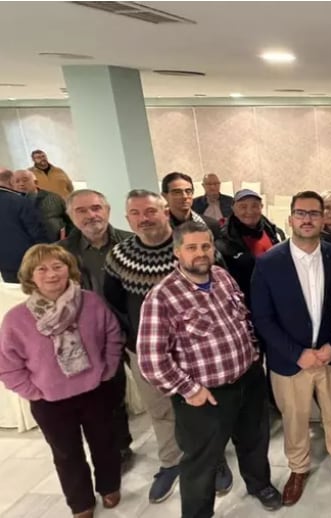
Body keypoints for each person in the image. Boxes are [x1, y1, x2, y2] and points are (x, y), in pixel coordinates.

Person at [137, 222, 282, 516]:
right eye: (192, 248)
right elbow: (151, 359)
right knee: (201, 461)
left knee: (255, 441)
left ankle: (259, 485)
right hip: (205, 395)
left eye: (205, 246)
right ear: (177, 252)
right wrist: (190, 390)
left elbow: (243, 319)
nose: (201, 253)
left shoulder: (222, 277)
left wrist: (254, 355)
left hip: (248, 379)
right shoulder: (162, 296)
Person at [103, 190, 233, 502]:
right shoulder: (118, 256)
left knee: (204, 409)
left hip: (199, 351)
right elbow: (115, 303)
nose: (143, 218)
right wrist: (136, 339)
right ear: (127, 219)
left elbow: (223, 291)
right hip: (147, 352)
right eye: (135, 213)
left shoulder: (196, 247)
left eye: (150, 211)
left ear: (165, 212)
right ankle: (171, 463)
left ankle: (215, 459)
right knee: (160, 410)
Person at [0, 245, 123, 518]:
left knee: (105, 443)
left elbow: (113, 336)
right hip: (50, 401)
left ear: (70, 269)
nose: (51, 274)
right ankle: (80, 502)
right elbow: (8, 366)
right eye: (41, 269)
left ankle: (109, 486)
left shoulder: (91, 302)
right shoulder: (15, 319)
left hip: (95, 390)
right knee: (66, 454)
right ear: (30, 276)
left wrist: (108, 369)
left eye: (58, 266)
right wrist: (35, 391)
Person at [250, 191, 331, 504]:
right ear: (290, 218)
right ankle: (298, 469)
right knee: (294, 418)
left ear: (324, 218)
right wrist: (297, 353)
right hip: (289, 360)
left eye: (314, 213)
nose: (307, 219)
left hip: (329, 356)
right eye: (301, 213)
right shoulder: (268, 263)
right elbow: (262, 317)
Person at [58, 189, 134, 469]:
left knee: (158, 391)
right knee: (109, 394)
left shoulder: (131, 242)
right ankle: (122, 447)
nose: (91, 215)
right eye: (82, 211)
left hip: (135, 328)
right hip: (94, 337)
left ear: (107, 210)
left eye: (95, 208)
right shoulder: (63, 253)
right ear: (70, 215)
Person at [217, 189, 286, 302]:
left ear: (261, 207)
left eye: (255, 206)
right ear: (233, 209)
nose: (249, 211)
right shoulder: (224, 243)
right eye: (243, 207)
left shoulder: (275, 233)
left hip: (277, 295)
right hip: (249, 301)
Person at [0, 168, 49, 282]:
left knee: (18, 295)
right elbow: (37, 232)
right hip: (29, 260)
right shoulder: (20, 201)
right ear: (11, 181)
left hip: (4, 263)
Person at [13, 169, 72, 240]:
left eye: (25, 180)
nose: (21, 184)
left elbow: (70, 220)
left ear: (36, 182)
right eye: (17, 181)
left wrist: (68, 237)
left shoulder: (53, 198)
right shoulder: (11, 203)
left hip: (57, 243)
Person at [161, 172, 222, 236]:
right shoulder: (159, 228)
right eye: (177, 192)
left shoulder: (210, 225)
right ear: (165, 196)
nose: (184, 196)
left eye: (188, 191)